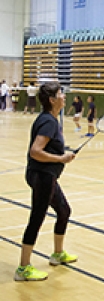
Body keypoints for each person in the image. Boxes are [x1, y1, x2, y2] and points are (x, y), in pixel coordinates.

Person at [15, 82, 78, 282]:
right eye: (60, 93)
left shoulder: (49, 119)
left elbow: (49, 147)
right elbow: (36, 151)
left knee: (64, 211)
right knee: (37, 218)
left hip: (45, 175)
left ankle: (57, 254)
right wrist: (60, 159)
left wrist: (63, 152)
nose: (64, 95)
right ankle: (23, 268)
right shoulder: (49, 122)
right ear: (52, 100)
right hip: (42, 175)